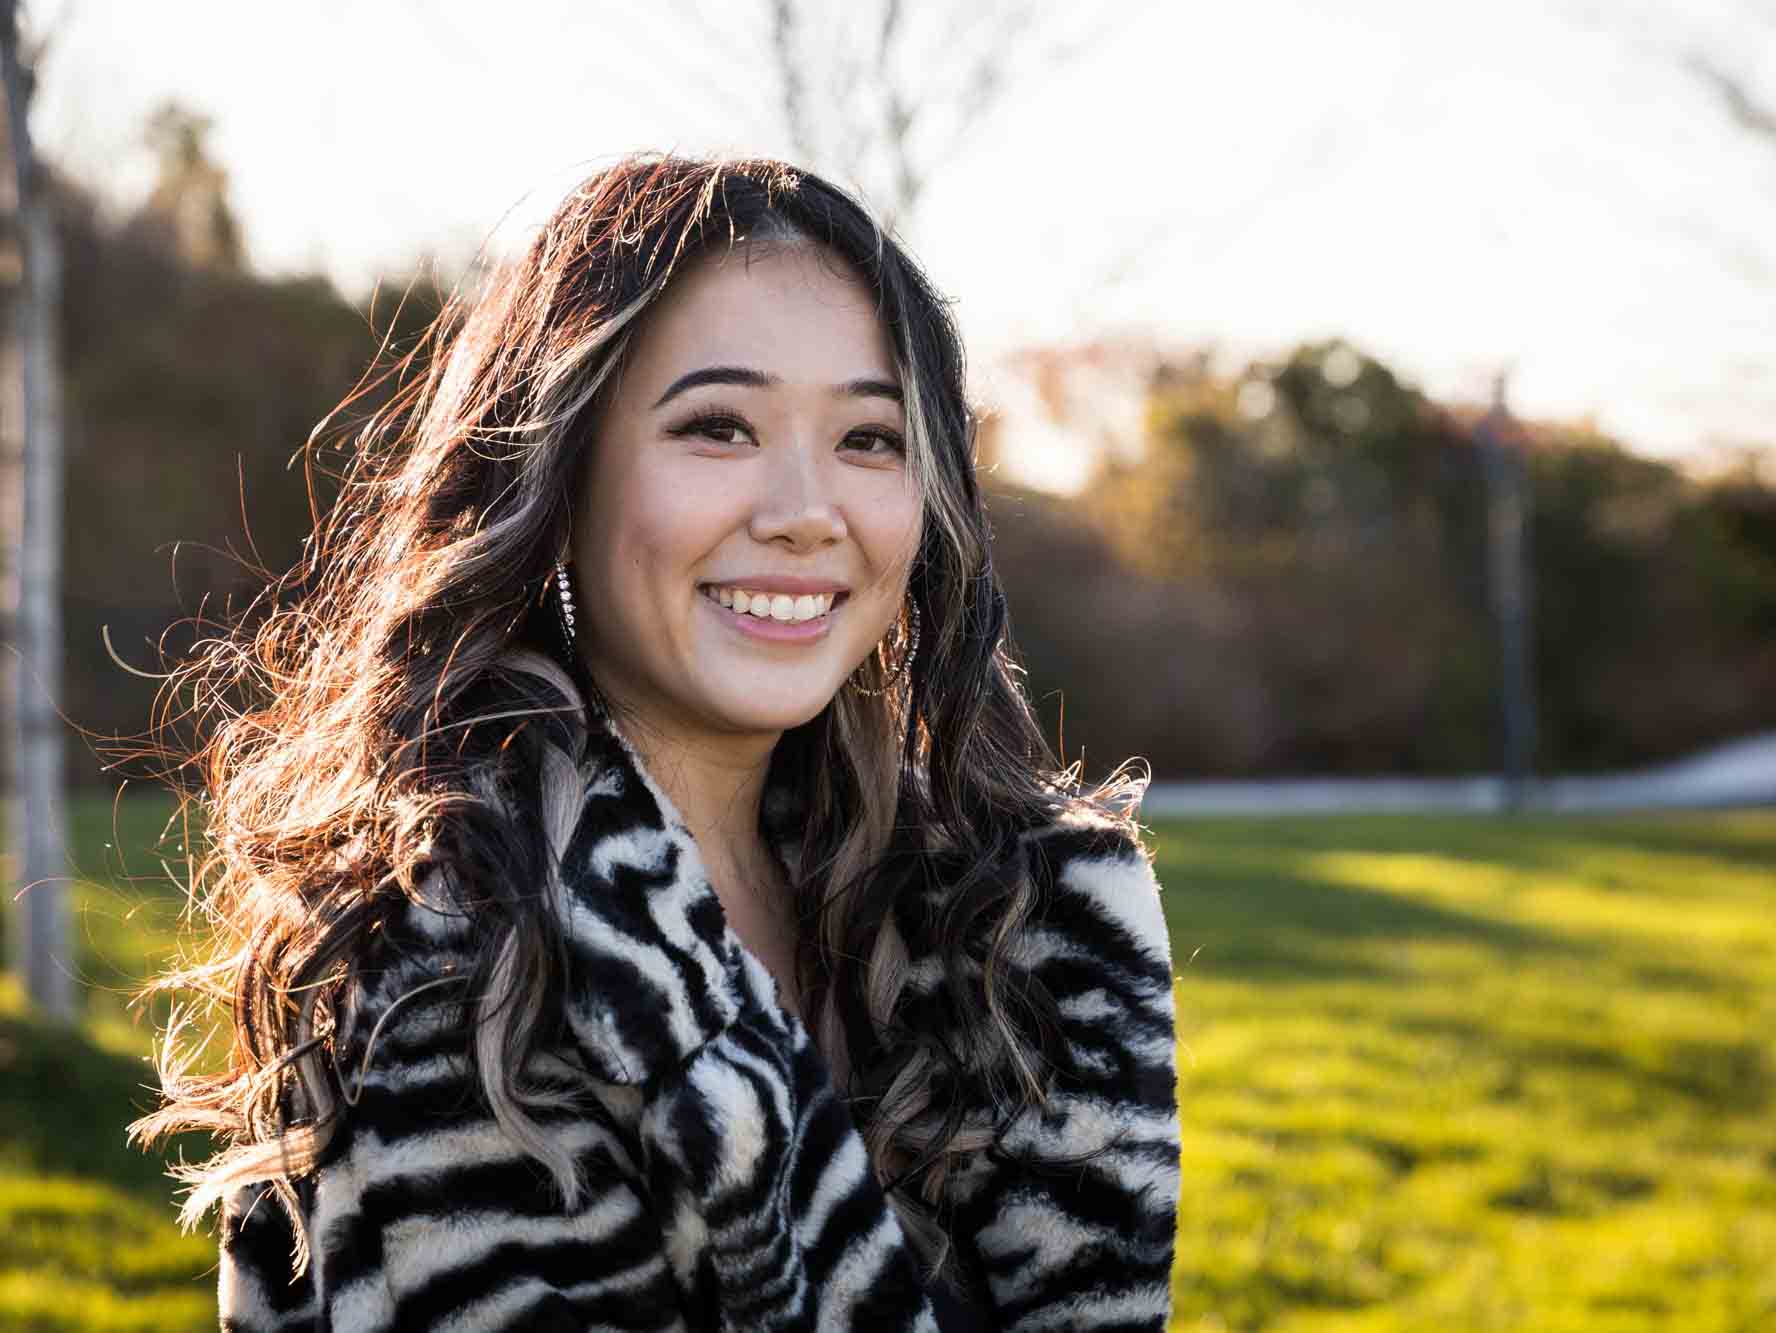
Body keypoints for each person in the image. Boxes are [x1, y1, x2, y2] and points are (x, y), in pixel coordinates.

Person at [131, 153, 1179, 1333]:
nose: (802, 509)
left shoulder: (998, 926)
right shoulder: (464, 957)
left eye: (869, 438)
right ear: (554, 472)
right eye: (717, 427)